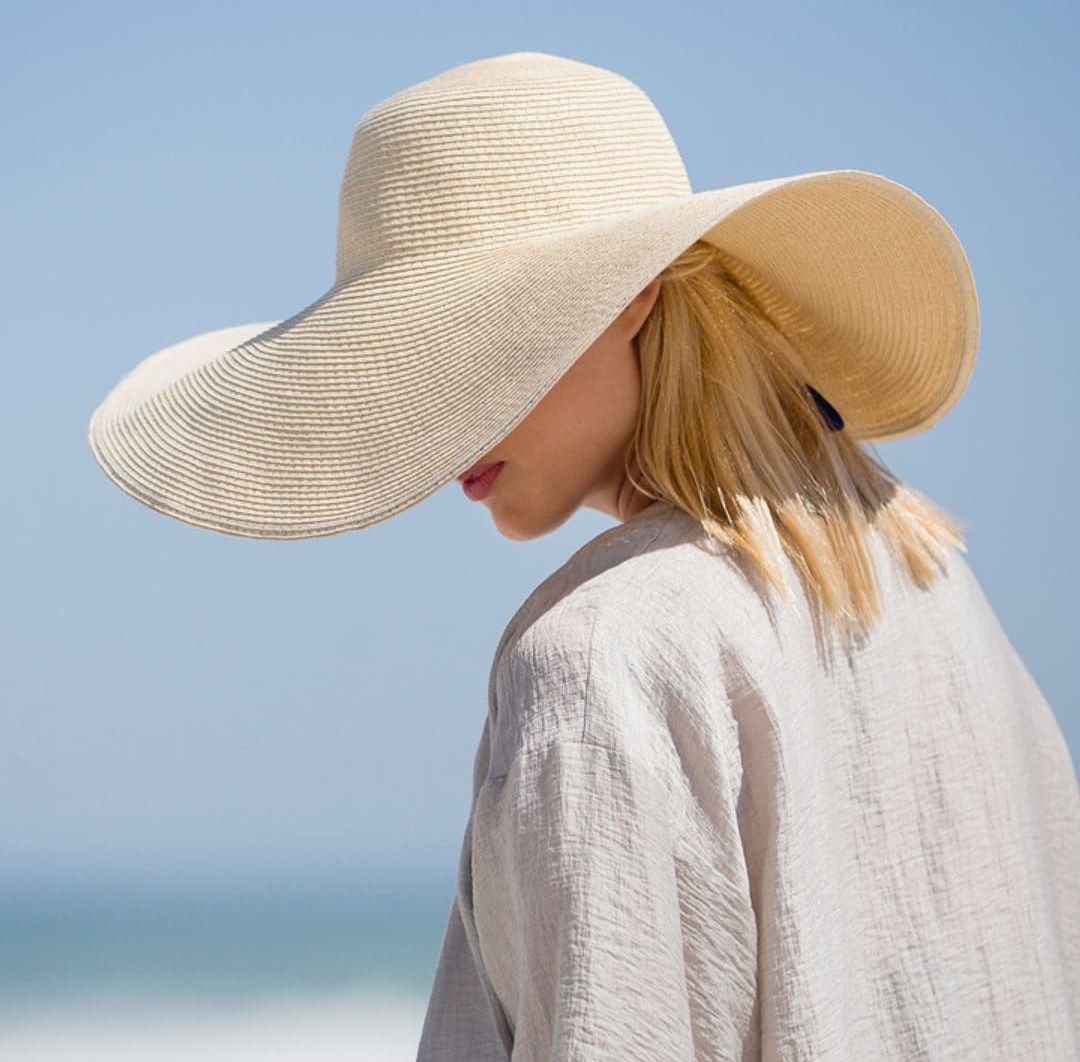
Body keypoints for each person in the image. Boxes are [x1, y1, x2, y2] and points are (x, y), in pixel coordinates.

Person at [86, 52, 1079, 1060]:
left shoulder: (608, 656)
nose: (439, 420)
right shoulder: (930, 584)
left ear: (632, 296)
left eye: (467, 341)